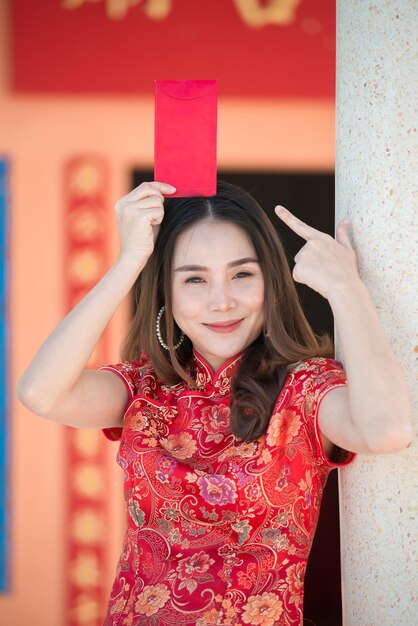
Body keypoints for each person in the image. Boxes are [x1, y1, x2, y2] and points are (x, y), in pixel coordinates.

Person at [17, 180, 412, 626]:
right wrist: (129, 262)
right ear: (167, 291)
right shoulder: (144, 390)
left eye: (242, 274)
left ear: (271, 281)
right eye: (194, 279)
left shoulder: (304, 391)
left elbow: (389, 429)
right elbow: (40, 392)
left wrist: (346, 288)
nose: (221, 301)